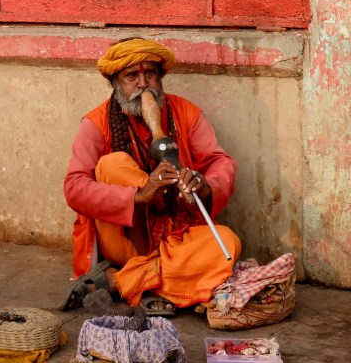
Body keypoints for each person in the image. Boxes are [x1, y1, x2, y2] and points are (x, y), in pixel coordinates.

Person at [61, 37, 239, 316]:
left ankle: (118, 281)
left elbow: (220, 162)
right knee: (112, 164)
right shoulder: (95, 123)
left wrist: (205, 185)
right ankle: (169, 279)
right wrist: (140, 193)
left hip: (177, 236)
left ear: (160, 77)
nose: (143, 84)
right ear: (115, 82)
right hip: (126, 238)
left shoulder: (186, 113)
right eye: (132, 76)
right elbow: (74, 187)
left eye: (151, 74)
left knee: (227, 243)